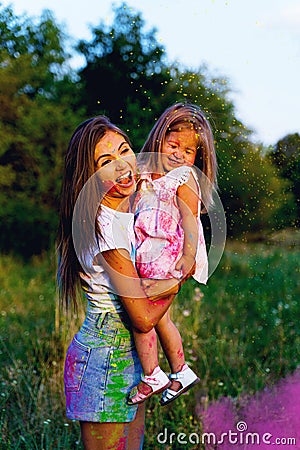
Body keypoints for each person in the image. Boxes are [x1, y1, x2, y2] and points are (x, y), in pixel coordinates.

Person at [57, 116, 183, 450]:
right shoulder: (107, 227)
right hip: (104, 355)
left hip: (130, 354)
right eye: (105, 161)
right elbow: (142, 317)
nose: (122, 164)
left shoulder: (131, 210)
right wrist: (176, 279)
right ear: (89, 175)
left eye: (124, 150)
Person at [128, 102, 217, 406]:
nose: (179, 154)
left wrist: (189, 256)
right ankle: (180, 371)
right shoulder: (146, 174)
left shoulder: (184, 178)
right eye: (173, 144)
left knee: (140, 315)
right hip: (148, 254)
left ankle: (153, 373)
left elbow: (191, 220)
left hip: (168, 256)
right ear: (159, 138)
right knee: (160, 319)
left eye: (188, 151)